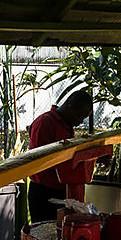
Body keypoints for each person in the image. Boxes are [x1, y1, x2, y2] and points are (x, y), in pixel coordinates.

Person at [28, 90, 94, 221]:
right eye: (79, 116)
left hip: (61, 190)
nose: (80, 122)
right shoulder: (45, 123)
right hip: (44, 191)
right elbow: (43, 160)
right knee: (45, 234)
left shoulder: (66, 125)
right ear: (70, 106)